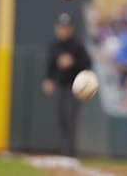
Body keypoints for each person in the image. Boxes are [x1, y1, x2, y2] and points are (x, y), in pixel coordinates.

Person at [42, 12, 92, 157]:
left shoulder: (77, 45)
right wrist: (49, 79)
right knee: (62, 118)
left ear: (71, 29)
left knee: (71, 119)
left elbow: (87, 63)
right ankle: (65, 150)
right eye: (61, 27)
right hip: (61, 85)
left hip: (75, 88)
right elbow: (51, 64)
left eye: (66, 27)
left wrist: (72, 62)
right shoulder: (54, 45)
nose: (63, 30)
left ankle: (70, 153)